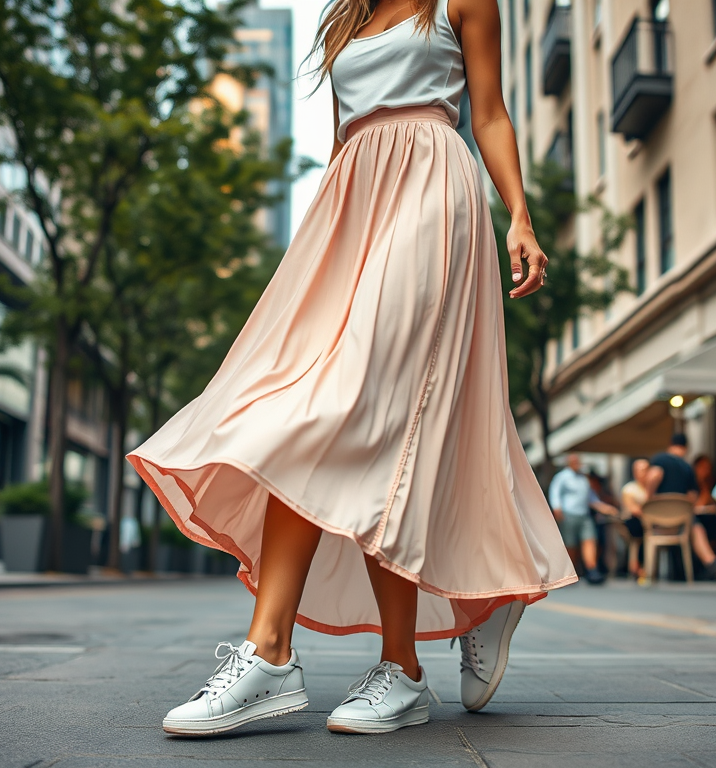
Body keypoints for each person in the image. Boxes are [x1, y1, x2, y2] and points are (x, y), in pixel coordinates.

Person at [126, 0, 578, 737]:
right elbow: (343, 137)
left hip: (432, 190)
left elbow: (488, 113)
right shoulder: (344, 18)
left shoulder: (462, 1)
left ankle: (375, 664)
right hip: (351, 207)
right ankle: (304, 655)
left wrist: (518, 214)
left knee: (366, 412)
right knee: (300, 410)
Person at [647, 435, 716, 580]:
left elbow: (654, 476)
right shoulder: (687, 467)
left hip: (656, 521)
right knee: (696, 527)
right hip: (680, 522)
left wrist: (649, 498)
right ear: (686, 448)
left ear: (670, 444)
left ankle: (651, 572)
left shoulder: (660, 459)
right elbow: (692, 497)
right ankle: (710, 562)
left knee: (694, 526)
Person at [549, 454, 619, 585]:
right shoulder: (562, 477)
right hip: (569, 513)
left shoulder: (583, 479)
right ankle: (569, 572)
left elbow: (590, 498)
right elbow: (555, 493)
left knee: (590, 540)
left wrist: (603, 507)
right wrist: (557, 509)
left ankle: (592, 569)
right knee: (571, 544)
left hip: (584, 514)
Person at [620, 458, 649, 579]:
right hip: (634, 523)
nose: (643, 472)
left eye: (646, 469)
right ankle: (637, 568)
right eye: (640, 470)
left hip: (650, 523)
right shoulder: (629, 489)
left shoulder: (651, 488)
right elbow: (633, 509)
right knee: (638, 532)